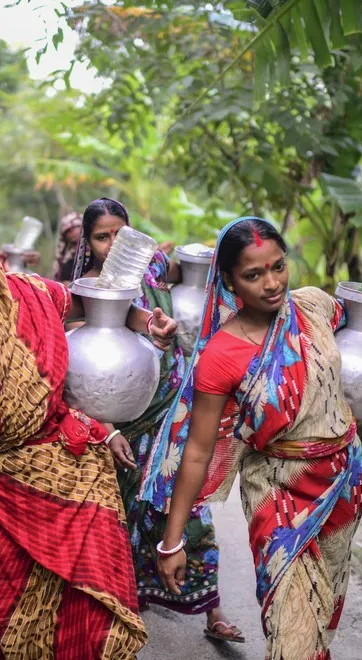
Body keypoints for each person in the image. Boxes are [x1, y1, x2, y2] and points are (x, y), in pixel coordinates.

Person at [145, 217, 362, 659]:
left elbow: (359, 319)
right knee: (291, 621)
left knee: (322, 605)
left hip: (341, 479)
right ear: (229, 281)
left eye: (278, 266)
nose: (272, 283)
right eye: (253, 275)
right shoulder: (221, 355)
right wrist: (172, 541)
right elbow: (197, 452)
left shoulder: (313, 307)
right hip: (277, 492)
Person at [0, 196, 174, 658]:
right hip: (3, 498)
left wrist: (147, 323)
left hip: (81, 478)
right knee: (16, 638)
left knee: (95, 629)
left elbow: (97, 306)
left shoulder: (33, 293)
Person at [71, 197, 242, 643]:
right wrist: (107, 431)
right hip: (125, 421)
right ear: (87, 243)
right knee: (125, 514)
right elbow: (79, 374)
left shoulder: (155, 268)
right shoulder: (87, 290)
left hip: (174, 410)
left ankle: (213, 609)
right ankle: (124, 605)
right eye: (101, 237)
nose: (112, 245)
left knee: (190, 508)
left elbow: (195, 277)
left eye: (119, 234)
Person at [52, 211, 82, 283]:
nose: (79, 247)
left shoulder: (101, 260)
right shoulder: (68, 268)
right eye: (74, 243)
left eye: (82, 241)